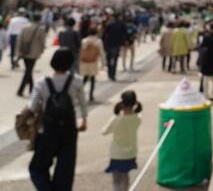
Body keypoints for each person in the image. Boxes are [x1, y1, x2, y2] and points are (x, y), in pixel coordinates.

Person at [28, 47, 88, 191]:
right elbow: (82, 104)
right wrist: (84, 120)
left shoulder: (42, 82)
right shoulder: (77, 81)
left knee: (37, 167)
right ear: (70, 63)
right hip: (69, 130)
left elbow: (33, 106)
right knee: (65, 170)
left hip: (47, 131)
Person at [102, 90, 142, 191]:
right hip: (131, 153)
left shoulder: (117, 119)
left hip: (117, 154)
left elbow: (104, 132)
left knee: (117, 179)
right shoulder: (138, 118)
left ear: (122, 103)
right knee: (125, 176)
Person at [17, 13, 47, 97]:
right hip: (34, 53)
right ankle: (20, 90)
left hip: (24, 52)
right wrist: (42, 50)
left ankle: (31, 89)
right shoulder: (41, 29)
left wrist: (18, 52)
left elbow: (19, 40)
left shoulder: (25, 27)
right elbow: (42, 42)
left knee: (28, 70)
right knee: (28, 71)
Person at [79, 27, 105, 102]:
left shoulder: (83, 40)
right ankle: (91, 95)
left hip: (84, 63)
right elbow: (102, 53)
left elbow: (80, 52)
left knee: (84, 78)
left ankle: (80, 93)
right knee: (93, 79)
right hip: (93, 62)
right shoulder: (98, 41)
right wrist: (103, 64)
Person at [197, 22, 213, 100]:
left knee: (206, 78)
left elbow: (202, 46)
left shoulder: (206, 37)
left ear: (210, 28)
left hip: (206, 58)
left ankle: (205, 95)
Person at [103, 14, 128, 82]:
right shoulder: (122, 25)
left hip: (109, 44)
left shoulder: (109, 24)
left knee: (109, 59)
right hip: (117, 44)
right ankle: (113, 74)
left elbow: (105, 34)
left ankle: (109, 73)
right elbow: (125, 35)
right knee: (115, 59)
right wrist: (124, 43)